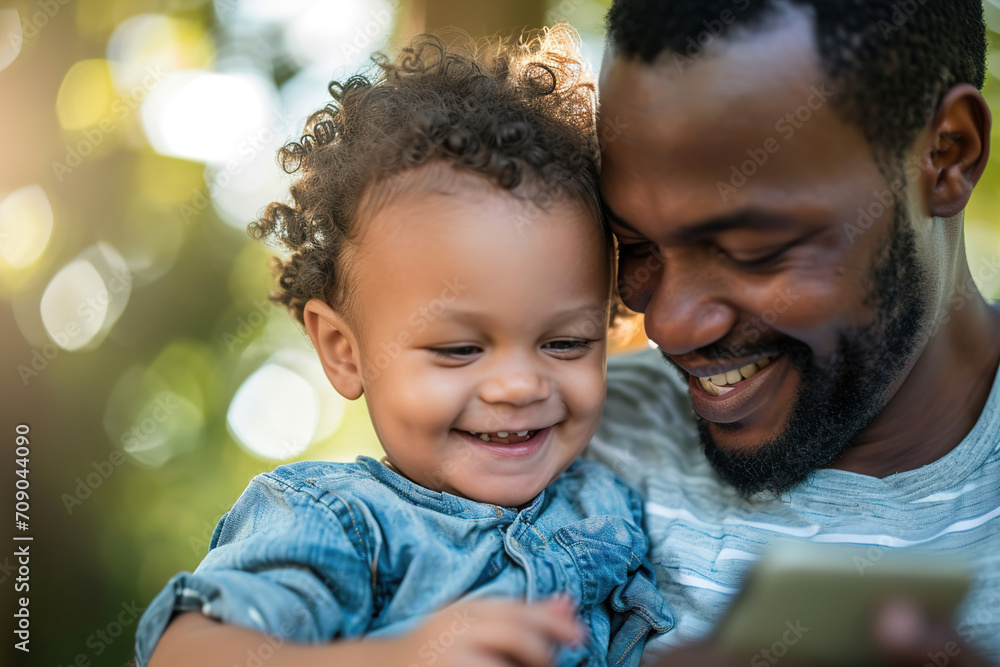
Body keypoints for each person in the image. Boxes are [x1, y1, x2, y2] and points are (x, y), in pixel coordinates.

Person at [132, 25, 671, 667]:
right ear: (343, 350)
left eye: (565, 343)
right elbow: (184, 652)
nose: (521, 385)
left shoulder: (611, 502)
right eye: (459, 350)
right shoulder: (339, 521)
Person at [589, 0, 1000, 664]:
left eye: (752, 247)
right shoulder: (564, 436)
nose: (666, 324)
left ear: (946, 156)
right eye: (634, 244)